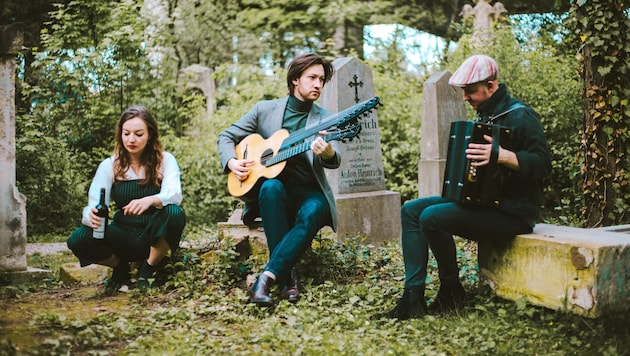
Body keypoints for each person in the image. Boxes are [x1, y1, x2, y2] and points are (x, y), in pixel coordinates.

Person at [379, 54, 552, 320]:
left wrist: (501, 155)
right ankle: (412, 297)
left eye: (470, 91)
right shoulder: (486, 115)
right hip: (482, 203)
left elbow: (542, 165)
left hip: (513, 212)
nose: (465, 98)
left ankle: (451, 290)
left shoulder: (521, 116)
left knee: (432, 217)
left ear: (491, 86)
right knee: (411, 210)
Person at [218, 52, 338, 307]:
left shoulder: (326, 118)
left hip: (308, 191)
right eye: (312, 77)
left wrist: (327, 152)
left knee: (317, 208)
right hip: (276, 191)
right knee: (270, 187)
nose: (318, 84)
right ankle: (287, 277)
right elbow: (226, 137)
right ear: (295, 79)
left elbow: (336, 159)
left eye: (322, 79)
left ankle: (269, 277)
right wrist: (232, 162)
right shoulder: (265, 110)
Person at [67, 106, 186, 295]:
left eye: (139, 134)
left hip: (153, 232)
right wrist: (91, 215)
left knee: (174, 213)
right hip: (122, 235)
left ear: (150, 135)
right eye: (126, 133)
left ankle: (148, 269)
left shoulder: (165, 160)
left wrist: (151, 200)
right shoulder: (110, 165)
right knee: (79, 238)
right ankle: (120, 268)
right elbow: (94, 201)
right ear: (120, 134)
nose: (131, 140)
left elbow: (174, 194)